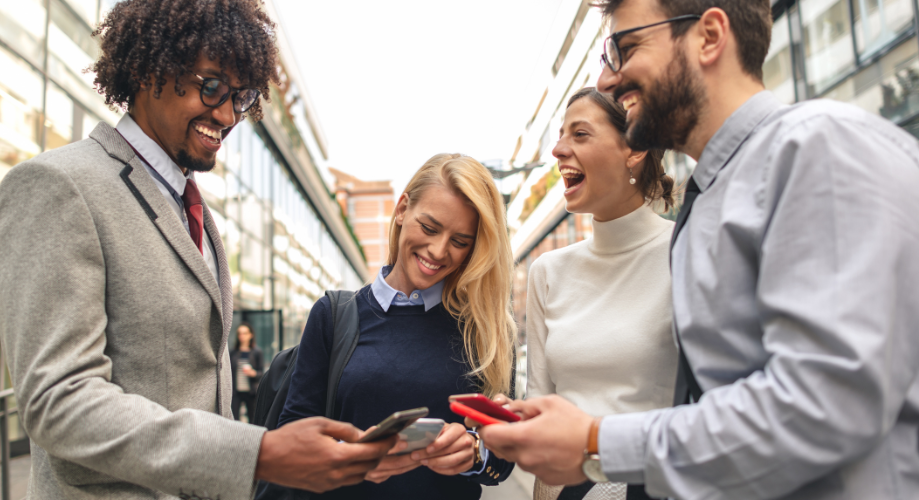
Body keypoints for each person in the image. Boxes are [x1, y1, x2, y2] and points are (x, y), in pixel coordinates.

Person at [478, 0, 919, 499]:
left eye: (627, 48)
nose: (608, 80)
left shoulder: (817, 150)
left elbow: (827, 407)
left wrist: (596, 442)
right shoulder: (710, 199)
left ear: (709, 36)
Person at [0, 1, 394, 498]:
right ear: (146, 69)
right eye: (211, 87)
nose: (226, 115)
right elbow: (61, 403)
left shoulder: (193, 209)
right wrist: (258, 454)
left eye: (239, 98)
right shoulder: (56, 186)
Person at [279, 154, 516, 499]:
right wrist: (351, 453)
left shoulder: (487, 330)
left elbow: (502, 465)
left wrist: (474, 453)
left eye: (460, 241)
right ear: (403, 209)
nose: (438, 251)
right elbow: (291, 436)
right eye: (430, 228)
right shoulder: (333, 315)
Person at [523, 87, 676, 500]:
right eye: (560, 135)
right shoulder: (548, 272)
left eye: (580, 134)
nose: (557, 149)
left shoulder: (686, 253)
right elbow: (539, 403)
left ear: (634, 150)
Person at [231, 323, 264, 422]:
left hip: (251, 392)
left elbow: (261, 374)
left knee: (252, 419)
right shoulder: (233, 352)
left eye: (245, 333)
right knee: (234, 419)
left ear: (251, 335)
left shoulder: (257, 352)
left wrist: (253, 373)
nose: (242, 336)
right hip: (236, 392)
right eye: (240, 333)